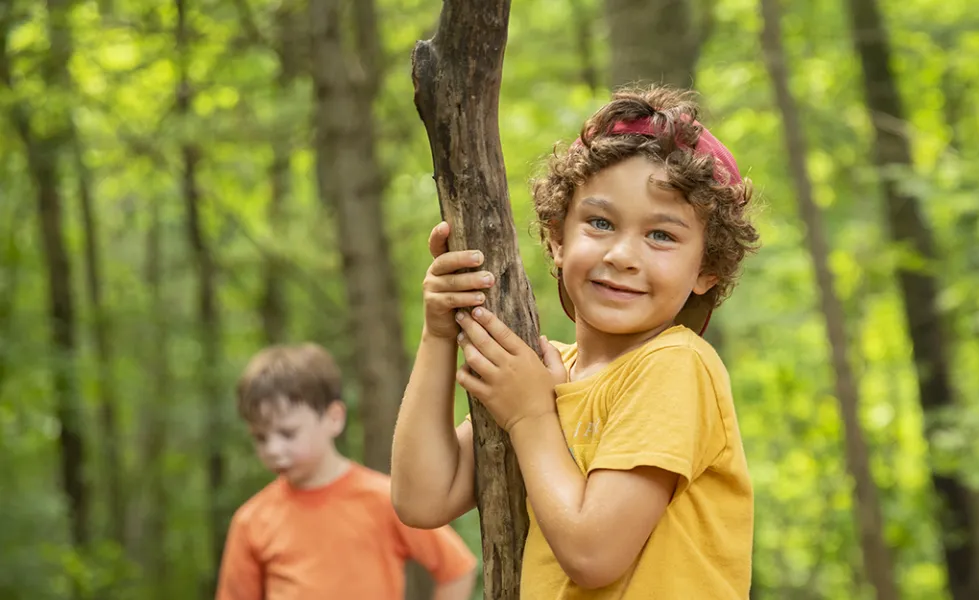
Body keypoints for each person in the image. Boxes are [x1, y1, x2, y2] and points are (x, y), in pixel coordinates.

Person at [391, 85, 761, 598]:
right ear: (557, 237)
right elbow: (422, 498)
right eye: (601, 223)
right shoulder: (547, 372)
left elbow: (593, 553)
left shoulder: (676, 366)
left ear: (709, 268)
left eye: (662, 235)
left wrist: (529, 415)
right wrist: (439, 333)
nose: (623, 255)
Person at [217, 343, 478, 600]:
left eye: (288, 433)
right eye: (261, 438)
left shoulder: (386, 499)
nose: (273, 449)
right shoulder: (251, 521)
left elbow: (457, 570)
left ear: (333, 418)